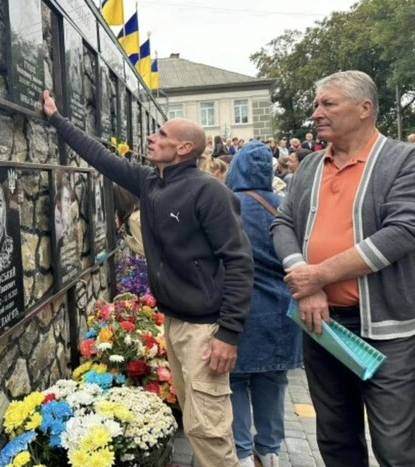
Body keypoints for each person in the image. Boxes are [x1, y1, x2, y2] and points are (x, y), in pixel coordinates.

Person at [43, 89, 254, 467]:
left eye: (161, 136)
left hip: (204, 328)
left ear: (184, 148)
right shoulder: (151, 182)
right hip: (175, 321)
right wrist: (57, 119)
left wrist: (229, 334)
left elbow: (238, 261)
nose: (151, 139)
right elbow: (102, 157)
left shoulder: (208, 192)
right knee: (195, 419)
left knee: (210, 428)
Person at [272, 70, 415, 466]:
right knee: (335, 439)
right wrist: (307, 281)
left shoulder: (404, 160)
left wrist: (318, 275)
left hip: (387, 332)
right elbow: (283, 224)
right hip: (322, 326)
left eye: (328, 103)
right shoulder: (311, 165)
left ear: (365, 108)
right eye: (316, 104)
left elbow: (403, 231)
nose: (315, 112)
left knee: (396, 448)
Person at [226, 141, 302, 467]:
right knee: (274, 382)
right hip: (283, 314)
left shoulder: (228, 206)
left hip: (238, 312)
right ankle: (269, 452)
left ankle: (241, 453)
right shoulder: (286, 206)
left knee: (233, 383)